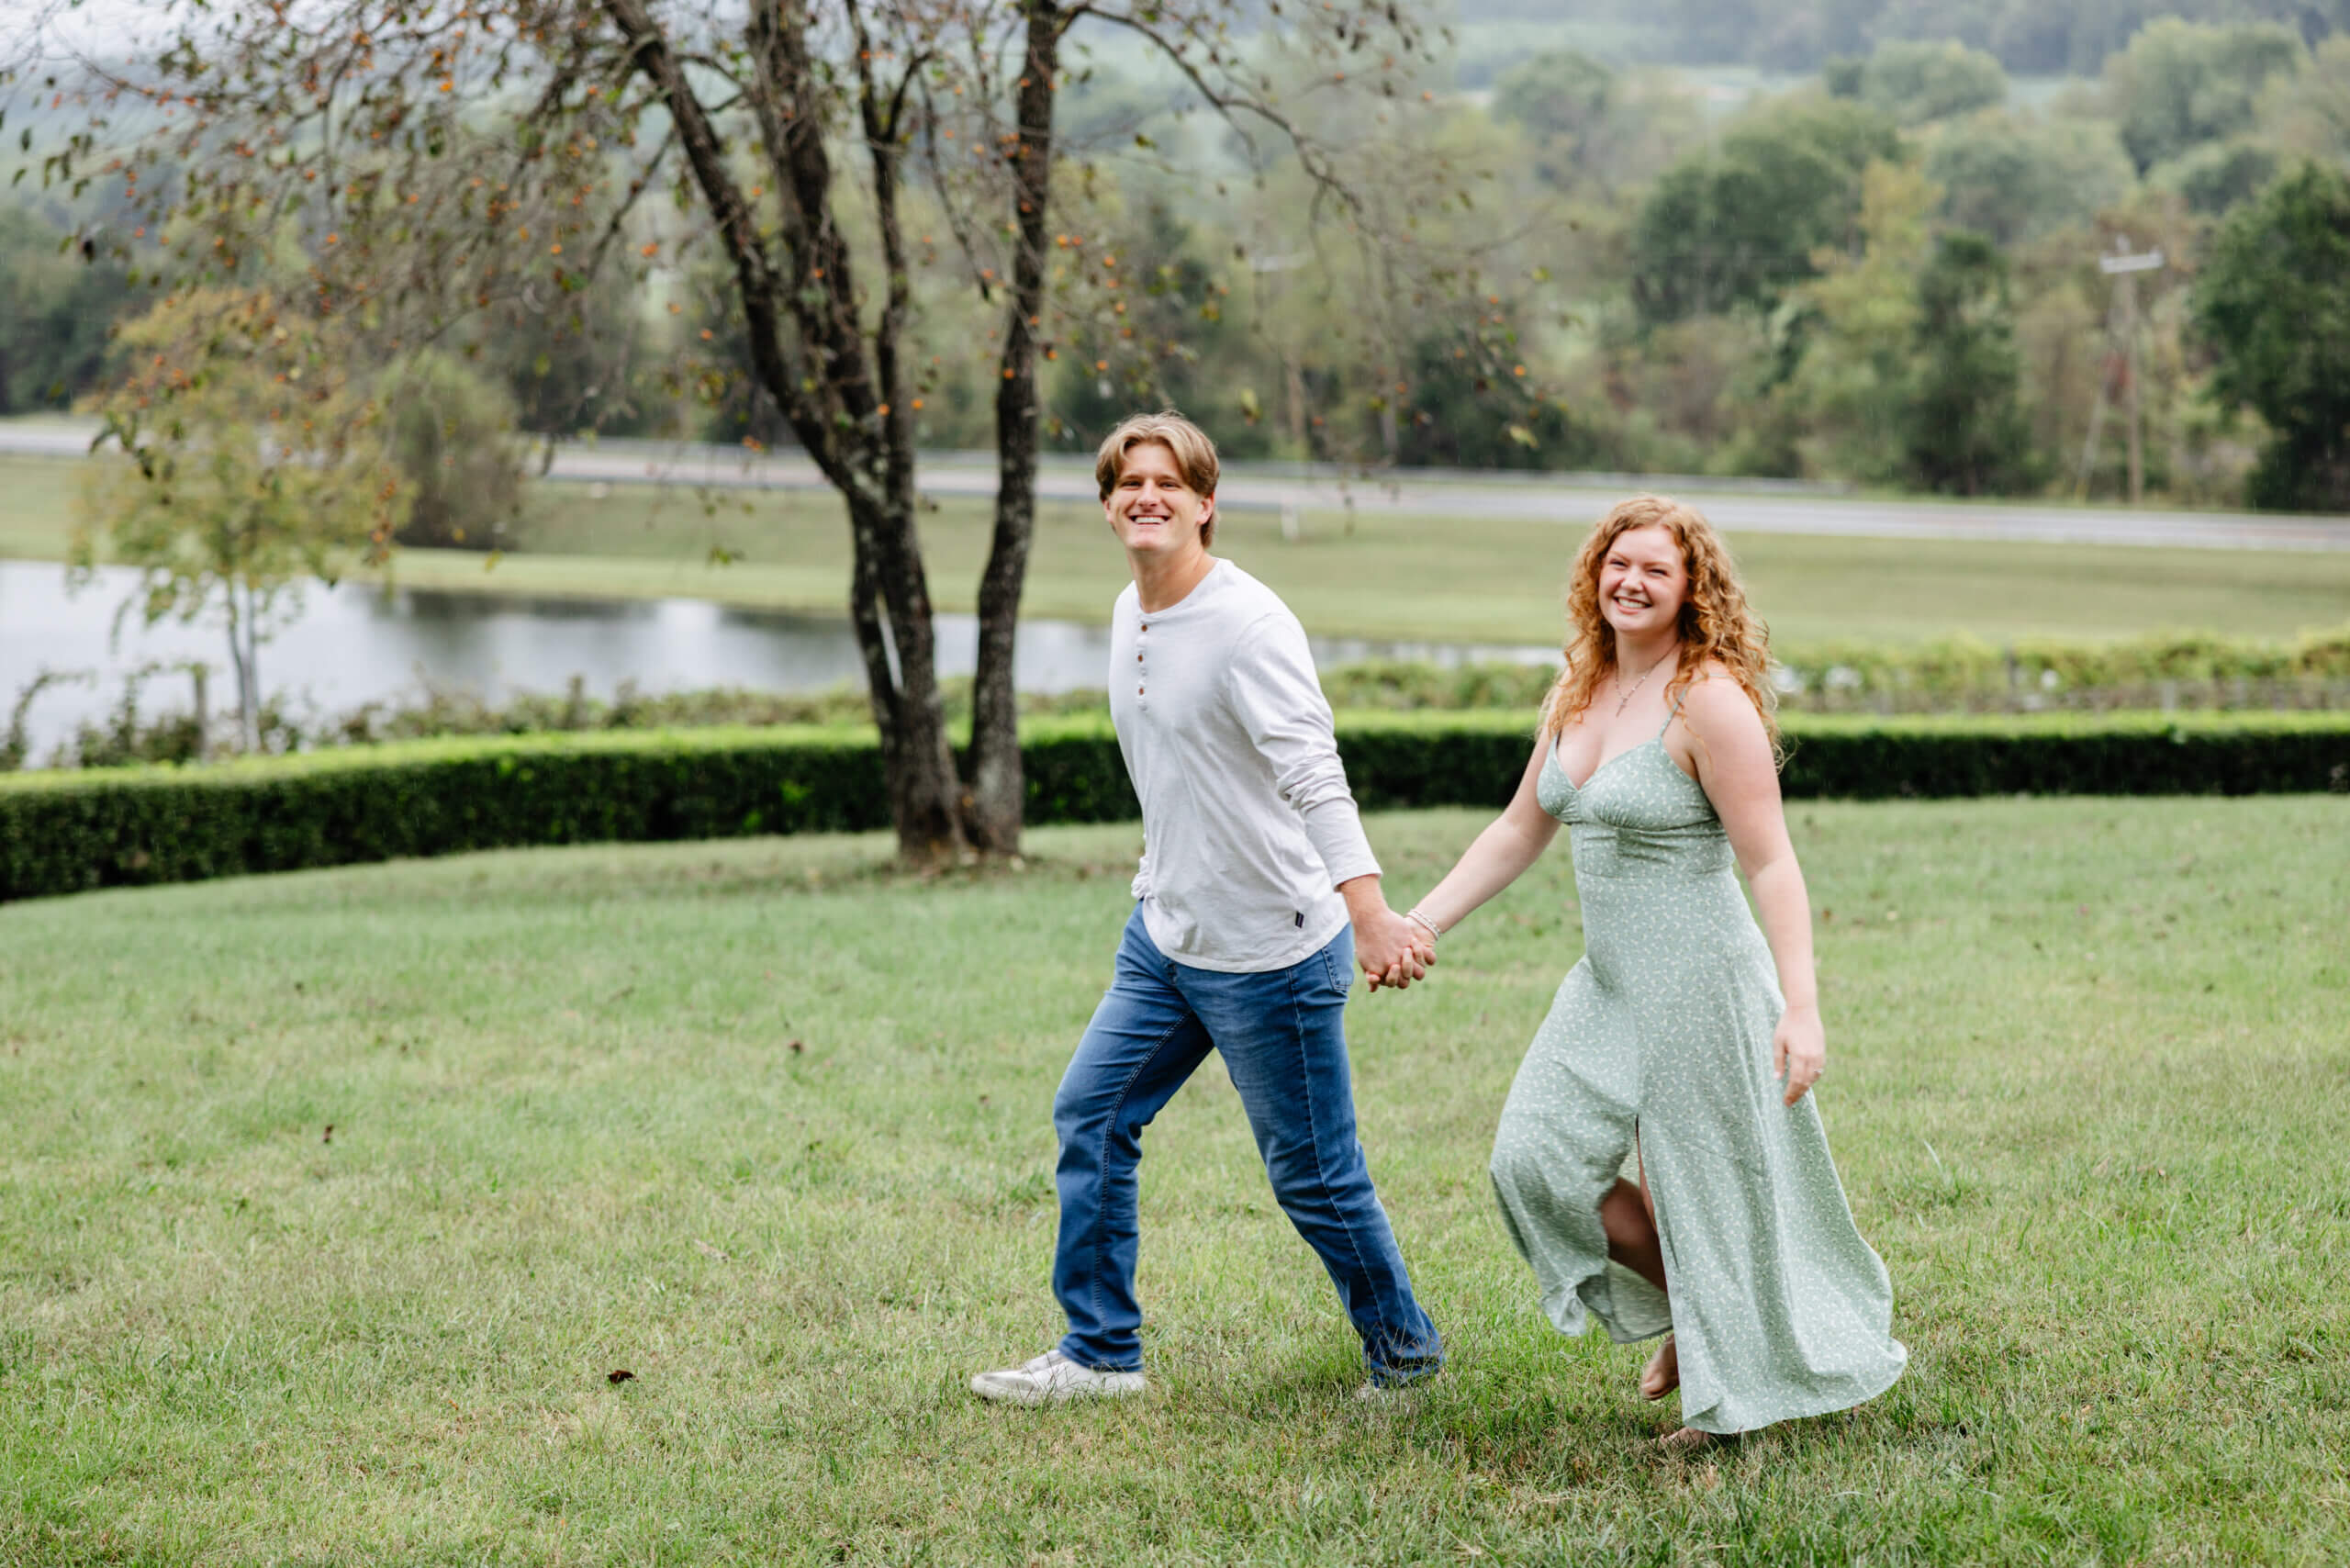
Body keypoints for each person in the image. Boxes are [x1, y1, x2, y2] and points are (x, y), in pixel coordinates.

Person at [1382, 494, 1905, 1450]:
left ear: (1689, 589)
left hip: (1704, 983)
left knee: (1707, 1192)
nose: (1630, 581)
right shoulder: (1577, 686)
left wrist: (1803, 1005)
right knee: (1533, 1161)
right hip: (1610, 982)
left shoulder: (1706, 699)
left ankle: (1728, 1392)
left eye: (1654, 570)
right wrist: (1420, 922)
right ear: (1594, 572)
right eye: (1616, 563)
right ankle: (1699, 1318)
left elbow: (1772, 862)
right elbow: (1515, 829)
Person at [970, 411, 1444, 1406]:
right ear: (1106, 504)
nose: (1146, 496)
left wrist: (1368, 914)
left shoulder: (1249, 623)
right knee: (1089, 1115)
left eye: (1167, 482)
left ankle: (1406, 1356)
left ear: (1205, 503)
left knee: (1313, 1178)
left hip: (1270, 950)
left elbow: (1314, 773)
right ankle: (1100, 1353)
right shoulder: (1126, 610)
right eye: (1126, 482)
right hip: (1166, 937)